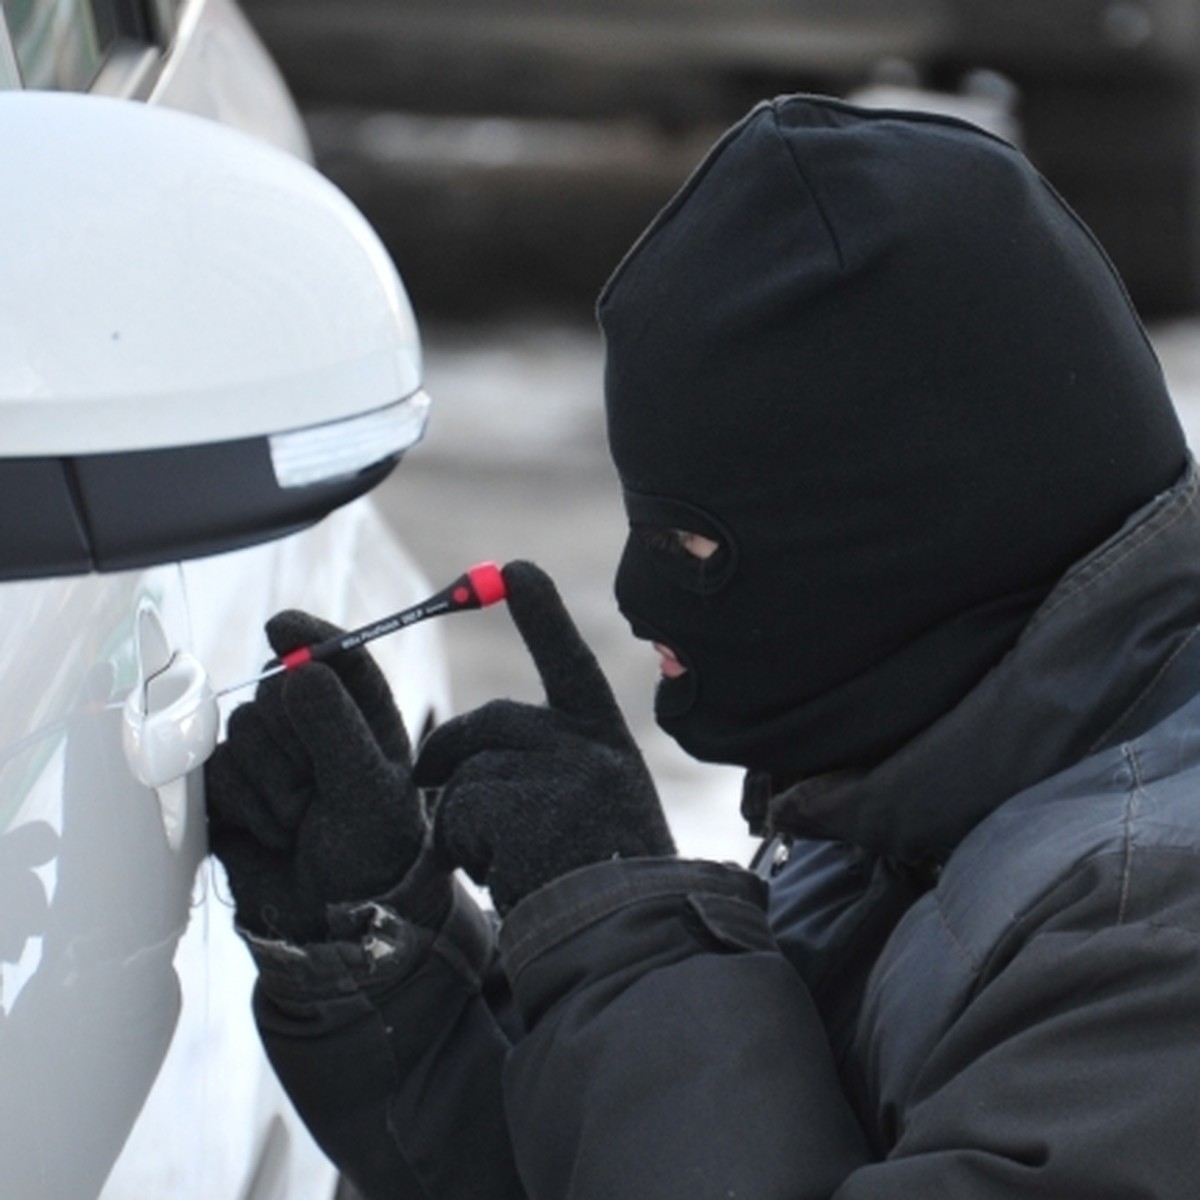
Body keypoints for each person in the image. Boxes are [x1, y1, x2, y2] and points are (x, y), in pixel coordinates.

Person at [204, 93, 1200, 1198]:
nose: (640, 597)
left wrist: (629, 937)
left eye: (694, 539)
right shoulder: (915, 786)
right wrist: (392, 960)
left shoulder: (1149, 937)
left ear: (902, 537)